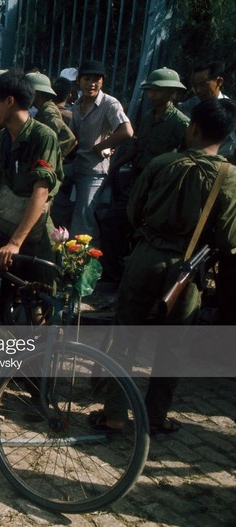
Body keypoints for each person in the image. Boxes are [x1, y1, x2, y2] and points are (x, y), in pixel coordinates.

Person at [95, 98, 236, 435]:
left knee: (125, 336)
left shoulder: (162, 163)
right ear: (227, 136)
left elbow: (133, 211)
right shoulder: (229, 176)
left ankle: (115, 413)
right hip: (188, 269)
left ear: (193, 128)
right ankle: (155, 416)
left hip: (145, 257)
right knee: (173, 346)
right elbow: (229, 237)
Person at [100, 67, 190, 281]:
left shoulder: (181, 123)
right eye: (150, 90)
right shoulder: (148, 116)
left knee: (144, 230)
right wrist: (113, 166)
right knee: (112, 220)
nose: (152, 95)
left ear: (172, 94)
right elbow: (137, 148)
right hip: (138, 180)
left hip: (162, 186)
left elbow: (187, 158)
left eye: (157, 91)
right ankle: (113, 274)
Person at [0, 69, 62, 276]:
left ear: (9, 101)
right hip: (2, 228)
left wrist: (16, 242)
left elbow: (41, 192)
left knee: (38, 296)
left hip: (33, 235)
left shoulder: (43, 137)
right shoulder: (0, 139)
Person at [52, 60, 133, 237]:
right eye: (87, 79)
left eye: (96, 79)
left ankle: (82, 261)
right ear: (79, 81)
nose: (91, 84)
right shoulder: (77, 105)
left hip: (94, 171)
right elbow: (73, 138)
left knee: (82, 219)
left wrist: (102, 146)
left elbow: (127, 131)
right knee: (48, 189)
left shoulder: (110, 104)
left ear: (102, 81)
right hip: (77, 165)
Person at [179, 61, 235, 161]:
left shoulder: (231, 110)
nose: (198, 90)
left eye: (203, 85)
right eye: (195, 86)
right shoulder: (187, 107)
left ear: (219, 82)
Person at [27, 72, 77, 160]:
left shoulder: (48, 112)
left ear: (36, 94)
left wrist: (50, 160)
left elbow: (69, 138)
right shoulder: (44, 110)